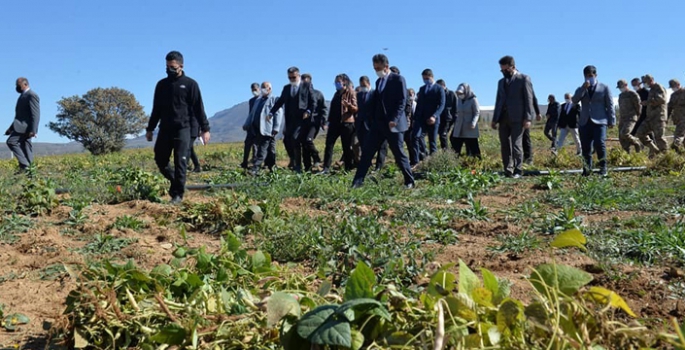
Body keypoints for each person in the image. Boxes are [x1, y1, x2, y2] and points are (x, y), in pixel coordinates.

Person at [146, 50, 211, 204]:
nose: (170, 69)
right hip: (165, 128)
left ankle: (177, 195)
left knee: (180, 160)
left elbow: (198, 108)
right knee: (160, 158)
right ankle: (176, 181)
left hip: (184, 127)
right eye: (167, 66)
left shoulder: (190, 84)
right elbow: (156, 109)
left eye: (173, 67)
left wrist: (205, 129)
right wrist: (150, 128)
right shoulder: (161, 85)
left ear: (181, 66)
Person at [352, 54, 414, 189]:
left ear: (386, 66)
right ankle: (357, 181)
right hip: (379, 124)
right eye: (374, 68)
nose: (376, 71)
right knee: (367, 152)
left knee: (398, 153)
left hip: (394, 124)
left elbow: (402, 101)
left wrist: (395, 119)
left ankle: (409, 181)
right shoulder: (378, 82)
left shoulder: (398, 80)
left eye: (378, 68)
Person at [492, 55, 535, 178]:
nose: (504, 72)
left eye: (506, 70)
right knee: (504, 144)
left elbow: (528, 99)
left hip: (518, 118)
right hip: (503, 118)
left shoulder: (523, 79)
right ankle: (508, 170)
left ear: (513, 67)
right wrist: (495, 119)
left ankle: (518, 170)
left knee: (516, 144)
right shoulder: (501, 82)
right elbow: (498, 100)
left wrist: (528, 118)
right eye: (502, 70)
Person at [268, 66, 317, 173]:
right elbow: (280, 102)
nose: (292, 80)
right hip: (290, 120)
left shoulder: (306, 86)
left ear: (299, 76)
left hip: (303, 120)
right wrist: (271, 112)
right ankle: (294, 160)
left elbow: (313, 102)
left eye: (294, 77)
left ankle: (299, 167)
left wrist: (308, 111)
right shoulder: (286, 88)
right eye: (290, 78)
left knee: (296, 139)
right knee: (287, 140)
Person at [572, 65, 615, 177]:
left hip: (600, 121)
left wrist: (612, 120)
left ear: (595, 75)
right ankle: (587, 169)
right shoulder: (580, 88)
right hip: (585, 121)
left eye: (591, 76)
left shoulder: (604, 87)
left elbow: (610, 105)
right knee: (586, 147)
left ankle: (603, 167)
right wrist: (583, 88)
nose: (589, 78)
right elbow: (575, 100)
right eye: (586, 76)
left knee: (599, 144)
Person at [322, 74, 358, 173]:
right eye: (336, 82)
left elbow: (355, 108)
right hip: (334, 123)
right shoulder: (336, 94)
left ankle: (348, 168)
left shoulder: (351, 92)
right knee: (329, 144)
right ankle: (326, 167)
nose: (337, 84)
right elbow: (332, 109)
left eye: (339, 82)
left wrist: (349, 105)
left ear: (344, 82)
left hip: (346, 123)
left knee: (346, 146)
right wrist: (328, 122)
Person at [411, 69, 445, 166]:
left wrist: (434, 116)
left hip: (433, 119)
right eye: (423, 78)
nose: (425, 80)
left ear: (431, 77)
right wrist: (415, 119)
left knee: (432, 142)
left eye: (427, 78)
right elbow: (419, 105)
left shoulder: (439, 89)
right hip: (421, 119)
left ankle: (434, 164)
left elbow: (442, 104)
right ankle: (417, 161)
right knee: (415, 137)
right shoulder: (422, 89)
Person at [248, 82, 283, 175]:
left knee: (262, 149)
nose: (263, 89)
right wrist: (248, 124)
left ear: (270, 89)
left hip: (268, 128)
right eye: (262, 87)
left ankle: (255, 168)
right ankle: (272, 167)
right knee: (270, 149)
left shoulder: (274, 100)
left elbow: (278, 113)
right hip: (258, 128)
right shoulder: (258, 100)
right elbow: (253, 113)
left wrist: (276, 127)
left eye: (265, 87)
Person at [6, 77, 40, 174]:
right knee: (26, 147)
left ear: (25, 84)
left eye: (18, 85)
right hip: (21, 127)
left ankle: (25, 166)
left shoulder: (31, 95)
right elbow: (20, 116)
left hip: (25, 128)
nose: (16, 87)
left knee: (11, 141)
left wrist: (33, 130)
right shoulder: (22, 96)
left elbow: (35, 114)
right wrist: (10, 129)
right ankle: (30, 172)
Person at [635, 74, 668, 157]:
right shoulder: (651, 90)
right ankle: (654, 149)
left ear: (651, 80)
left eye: (646, 82)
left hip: (658, 117)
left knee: (660, 138)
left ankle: (665, 157)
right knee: (640, 133)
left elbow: (662, 99)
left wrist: (648, 102)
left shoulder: (658, 87)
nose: (645, 84)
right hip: (650, 118)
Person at [301, 73, 326, 171]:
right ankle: (307, 167)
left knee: (308, 140)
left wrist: (323, 121)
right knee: (304, 145)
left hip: (314, 123)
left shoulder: (318, 94)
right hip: (303, 123)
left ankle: (317, 157)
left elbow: (323, 108)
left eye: (305, 80)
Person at [451, 83, 481, 158]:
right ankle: (454, 163)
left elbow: (476, 112)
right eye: (458, 93)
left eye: (461, 93)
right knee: (455, 146)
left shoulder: (473, 99)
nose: (460, 95)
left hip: (469, 127)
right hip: (459, 127)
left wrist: (473, 122)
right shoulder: (459, 100)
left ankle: (476, 163)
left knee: (473, 146)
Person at [616, 80, 643, 153]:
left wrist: (637, 116)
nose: (620, 89)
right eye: (619, 87)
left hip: (631, 117)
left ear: (626, 85)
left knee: (625, 133)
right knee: (621, 138)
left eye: (621, 86)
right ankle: (627, 154)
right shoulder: (621, 96)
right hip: (623, 118)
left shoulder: (633, 94)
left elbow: (638, 106)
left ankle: (637, 143)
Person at [240, 83, 261, 169]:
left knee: (257, 145)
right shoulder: (251, 101)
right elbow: (250, 113)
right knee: (247, 143)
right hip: (251, 126)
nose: (254, 91)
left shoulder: (263, 99)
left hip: (259, 126)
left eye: (255, 89)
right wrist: (247, 124)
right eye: (252, 90)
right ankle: (244, 162)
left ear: (259, 89)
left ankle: (256, 162)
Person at [437, 79, 457, 150]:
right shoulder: (438, 95)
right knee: (442, 135)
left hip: (448, 118)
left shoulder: (451, 94)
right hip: (440, 118)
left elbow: (455, 107)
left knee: (443, 134)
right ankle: (446, 151)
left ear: (443, 86)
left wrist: (455, 118)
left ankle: (448, 152)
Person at [630, 78, 650, 145]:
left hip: (647, 116)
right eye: (633, 85)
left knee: (648, 133)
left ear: (639, 84)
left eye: (635, 84)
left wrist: (647, 103)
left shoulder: (647, 92)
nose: (634, 86)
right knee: (632, 132)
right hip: (638, 116)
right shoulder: (634, 95)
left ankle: (654, 149)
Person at [523, 94, 541, 164]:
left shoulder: (525, 83)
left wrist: (538, 112)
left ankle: (528, 158)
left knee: (525, 137)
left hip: (523, 115)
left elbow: (532, 97)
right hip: (511, 115)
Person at [669, 79, 685, 152]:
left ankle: (675, 148)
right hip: (677, 119)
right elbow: (670, 107)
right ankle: (681, 156)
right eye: (672, 87)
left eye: (674, 86)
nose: (673, 88)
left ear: (678, 85)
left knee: (678, 135)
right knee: (683, 137)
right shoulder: (673, 95)